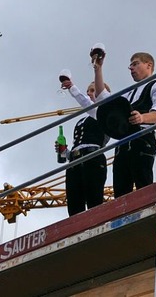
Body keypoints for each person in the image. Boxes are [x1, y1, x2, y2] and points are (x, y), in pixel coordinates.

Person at [93, 50, 156, 198]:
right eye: (130, 65)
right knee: (120, 189)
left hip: (142, 138)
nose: (131, 68)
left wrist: (142, 118)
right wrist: (98, 69)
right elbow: (103, 97)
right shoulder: (128, 93)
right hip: (123, 144)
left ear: (149, 65)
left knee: (143, 183)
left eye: (135, 64)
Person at [56, 78, 111, 216]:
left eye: (93, 90)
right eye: (88, 91)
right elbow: (78, 146)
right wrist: (65, 151)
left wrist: (72, 88)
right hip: (75, 161)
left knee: (94, 199)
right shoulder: (82, 120)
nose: (89, 94)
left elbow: (88, 104)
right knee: (74, 202)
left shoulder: (105, 113)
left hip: (93, 157)